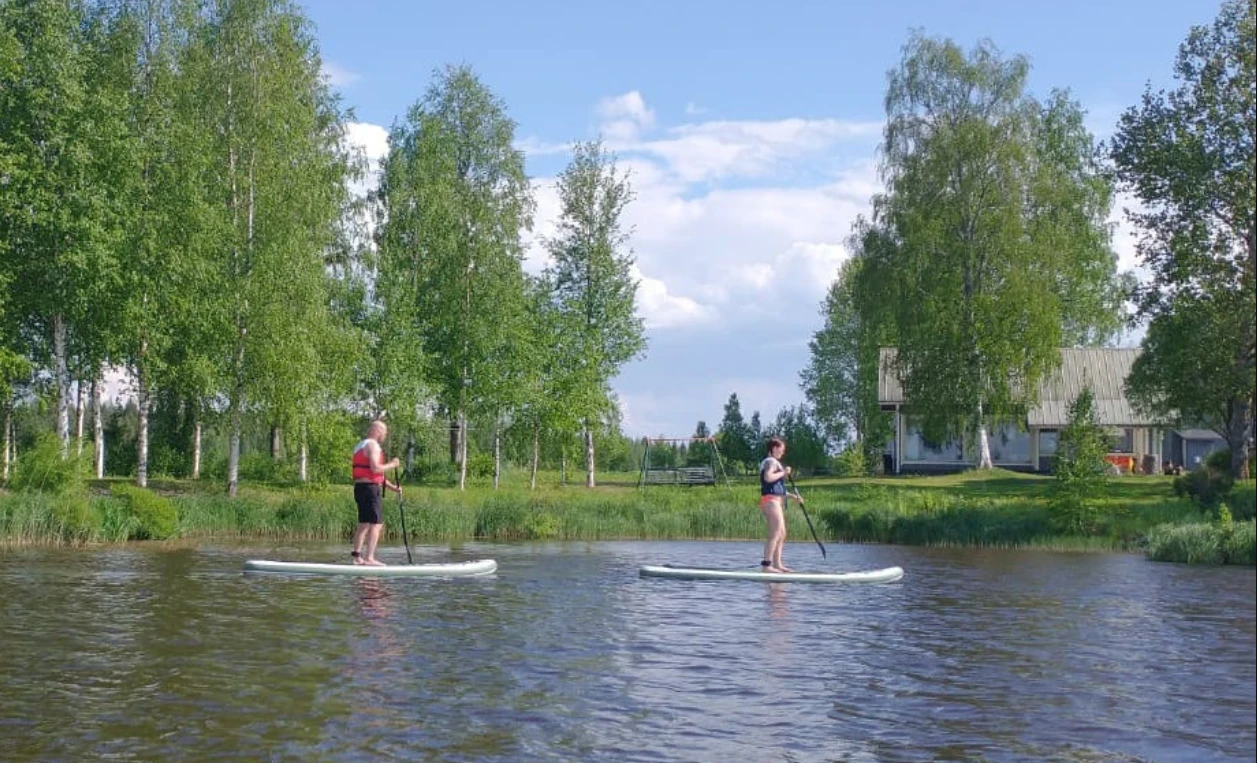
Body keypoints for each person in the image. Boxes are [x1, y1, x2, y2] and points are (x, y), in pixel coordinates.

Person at [351, 420, 402, 566]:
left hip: (361, 488)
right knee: (376, 524)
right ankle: (369, 558)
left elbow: (375, 475)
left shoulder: (360, 445)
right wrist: (393, 464)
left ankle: (357, 557)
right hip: (370, 489)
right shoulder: (373, 446)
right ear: (378, 431)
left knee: (364, 523)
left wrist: (393, 488)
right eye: (384, 433)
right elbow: (375, 468)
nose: (385, 436)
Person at [759, 436, 803, 573]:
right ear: (774, 448)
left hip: (775, 500)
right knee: (776, 531)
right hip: (770, 501)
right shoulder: (770, 461)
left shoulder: (774, 462)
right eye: (781, 449)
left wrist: (793, 496)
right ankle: (766, 566)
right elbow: (768, 477)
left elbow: (777, 488)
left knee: (782, 533)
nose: (783, 452)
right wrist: (784, 473)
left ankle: (778, 564)